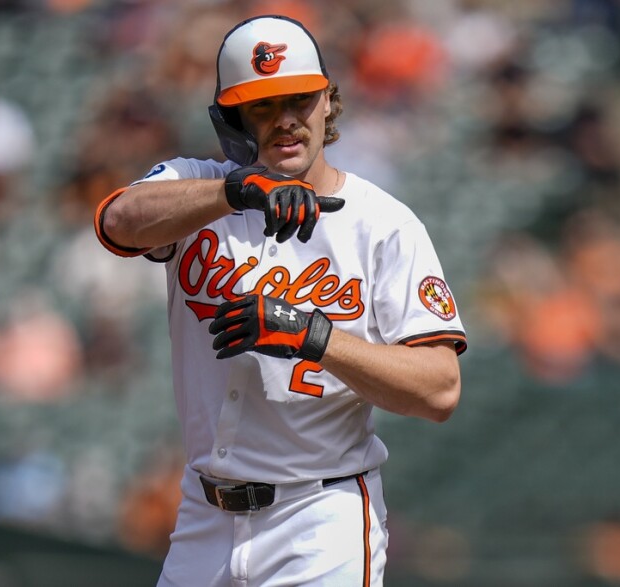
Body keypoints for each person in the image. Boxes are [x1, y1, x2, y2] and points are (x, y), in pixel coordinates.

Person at [94, 14, 466, 586]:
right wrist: (231, 192)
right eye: (264, 106)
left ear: (328, 103)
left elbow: (440, 388)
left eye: (300, 100)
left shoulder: (383, 225)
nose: (286, 121)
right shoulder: (197, 186)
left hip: (319, 517)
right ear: (233, 119)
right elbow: (118, 221)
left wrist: (314, 336)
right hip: (203, 516)